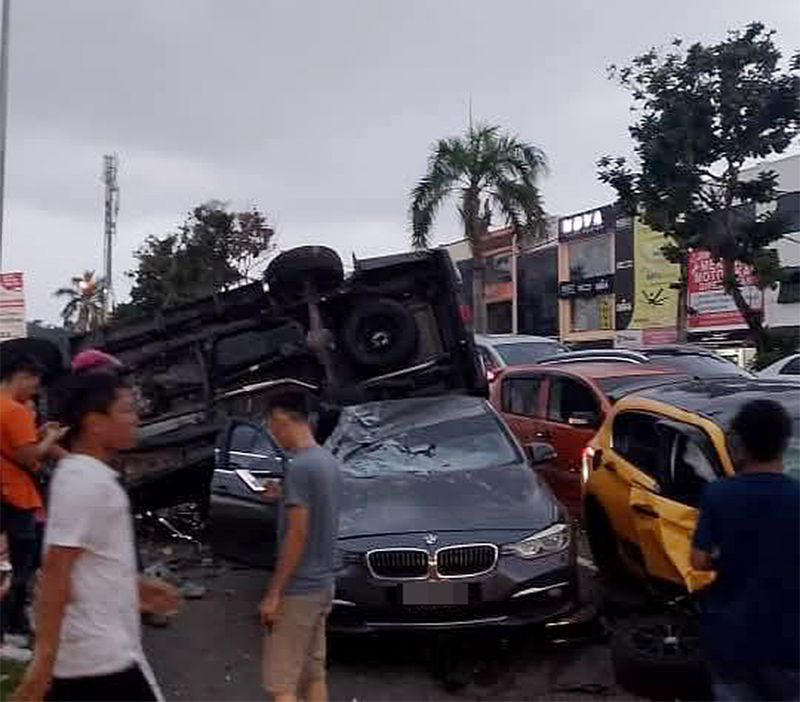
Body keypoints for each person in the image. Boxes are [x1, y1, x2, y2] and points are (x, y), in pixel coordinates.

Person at [12, 373, 182, 702]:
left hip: (100, 654)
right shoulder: (82, 482)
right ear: (95, 423)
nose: (135, 418)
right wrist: (43, 661)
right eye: (127, 410)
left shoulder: (91, 477)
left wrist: (136, 585)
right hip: (95, 657)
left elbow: (86, 560)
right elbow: (56, 570)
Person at [691, 399, 799, 701]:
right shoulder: (796, 496)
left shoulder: (718, 493)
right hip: (789, 642)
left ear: (740, 442)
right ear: (783, 442)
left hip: (732, 639)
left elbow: (697, 561)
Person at [259, 390, 343, 702]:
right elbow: (318, 506)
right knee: (313, 674)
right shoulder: (326, 461)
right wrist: (283, 493)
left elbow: (297, 534)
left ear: (281, 420)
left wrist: (274, 593)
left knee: (281, 685)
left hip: (298, 591)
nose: (271, 433)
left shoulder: (299, 467)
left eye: (271, 425)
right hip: (323, 585)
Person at [1, 355, 66, 640]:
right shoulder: (14, 411)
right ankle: (11, 625)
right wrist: (51, 438)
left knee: (9, 564)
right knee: (20, 568)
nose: (35, 391)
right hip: (17, 497)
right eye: (33, 384)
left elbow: (15, 446)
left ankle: (12, 624)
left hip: (4, 493)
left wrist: (38, 433)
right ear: (21, 376)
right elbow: (29, 457)